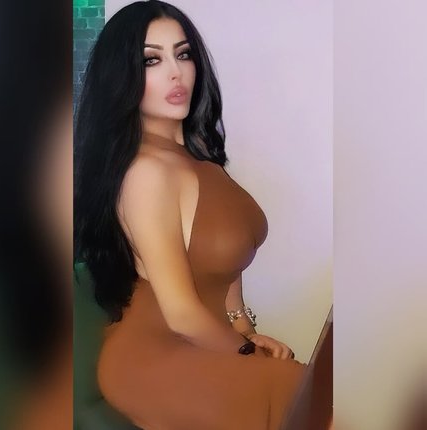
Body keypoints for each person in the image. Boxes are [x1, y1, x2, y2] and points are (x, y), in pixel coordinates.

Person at [74, 1, 306, 429]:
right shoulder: (145, 172)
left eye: (183, 54)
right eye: (151, 60)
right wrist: (245, 351)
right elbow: (180, 312)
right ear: (121, 77)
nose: (175, 73)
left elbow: (231, 259)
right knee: (302, 391)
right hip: (154, 357)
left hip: (208, 342)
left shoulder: (201, 158)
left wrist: (244, 330)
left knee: (307, 388)